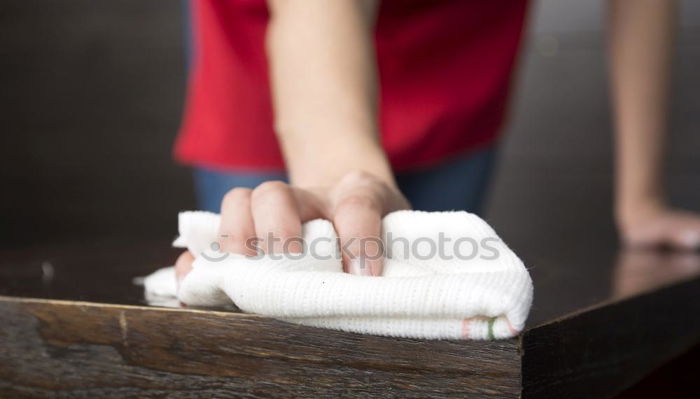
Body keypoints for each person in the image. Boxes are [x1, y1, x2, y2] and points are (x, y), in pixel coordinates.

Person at [174, 0, 700, 282]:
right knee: (278, 265)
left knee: (421, 288)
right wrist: (341, 176)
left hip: (456, 42)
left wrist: (642, 199)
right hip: (279, 43)